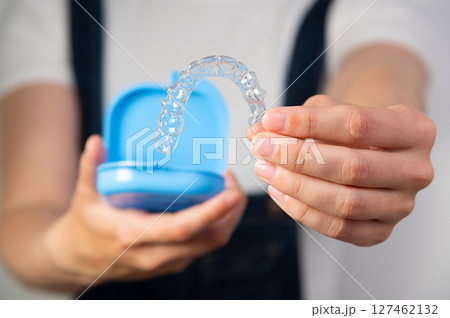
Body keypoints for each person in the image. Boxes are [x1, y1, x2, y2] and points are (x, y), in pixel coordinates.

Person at [0, 0, 436, 299]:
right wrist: (66, 249)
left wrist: (366, 133)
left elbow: (382, 68)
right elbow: (23, 220)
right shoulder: (54, 10)